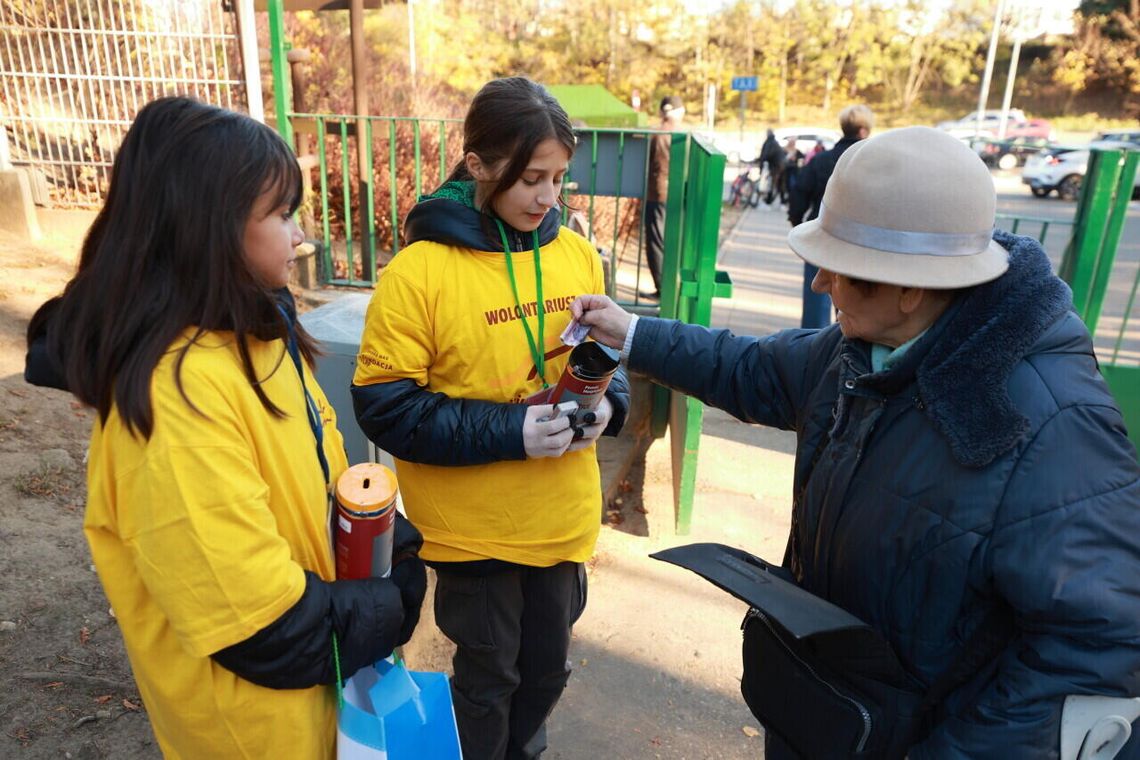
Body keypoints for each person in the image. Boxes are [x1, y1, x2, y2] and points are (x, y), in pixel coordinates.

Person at [571, 126, 1140, 759]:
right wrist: (635, 335)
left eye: (839, 273)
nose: (819, 287)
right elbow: (752, 368)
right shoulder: (868, 349)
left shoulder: (1052, 426)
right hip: (835, 716)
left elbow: (1096, 648)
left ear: (909, 287)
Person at [23, 97, 427, 759]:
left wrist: (387, 541)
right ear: (208, 227)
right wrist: (388, 606)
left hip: (321, 709)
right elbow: (262, 628)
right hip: (257, 734)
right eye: (282, 214)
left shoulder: (257, 336)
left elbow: (320, 471)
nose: (306, 238)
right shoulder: (174, 398)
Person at [351, 77, 630, 760]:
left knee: (547, 674)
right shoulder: (419, 272)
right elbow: (386, 405)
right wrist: (511, 431)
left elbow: (601, 356)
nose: (547, 197)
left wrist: (606, 408)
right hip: (473, 531)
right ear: (476, 166)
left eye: (559, 178)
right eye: (532, 177)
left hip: (561, 518)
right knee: (489, 679)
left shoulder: (576, 253)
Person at [789, 104, 873, 329]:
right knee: (853, 306)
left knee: (815, 302)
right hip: (861, 244)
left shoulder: (821, 160)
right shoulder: (873, 165)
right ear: (863, 131)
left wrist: (798, 222)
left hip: (822, 234)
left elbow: (799, 191)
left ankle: (813, 350)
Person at [641, 94, 685, 300]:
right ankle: (669, 290)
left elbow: (651, 166)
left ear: (662, 112)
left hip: (657, 193)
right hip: (675, 194)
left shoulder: (657, 133)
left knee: (656, 241)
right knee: (670, 241)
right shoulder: (683, 135)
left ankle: (662, 290)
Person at [758, 129, 786, 205]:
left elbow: (766, 155)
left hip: (776, 166)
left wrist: (761, 161)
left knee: (772, 183)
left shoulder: (769, 142)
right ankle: (780, 200)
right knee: (777, 184)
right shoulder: (774, 142)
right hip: (780, 165)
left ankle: (769, 201)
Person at [775, 137, 804, 206]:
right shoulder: (783, 150)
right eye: (792, 142)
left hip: (793, 171)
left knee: (791, 186)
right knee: (782, 185)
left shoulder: (796, 151)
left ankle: (789, 200)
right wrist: (787, 158)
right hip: (784, 171)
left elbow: (802, 158)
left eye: (793, 142)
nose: (793, 144)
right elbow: (780, 160)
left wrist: (796, 160)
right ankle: (783, 201)